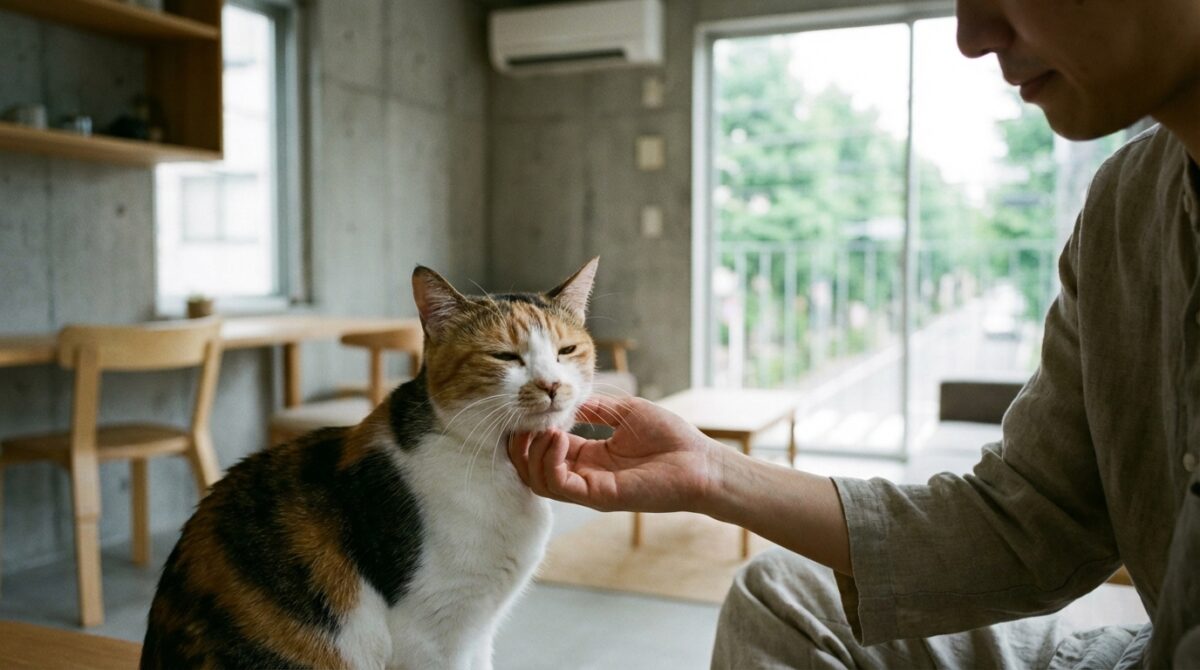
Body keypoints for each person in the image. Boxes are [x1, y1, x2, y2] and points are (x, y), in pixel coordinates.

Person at [508, 0, 1200, 667]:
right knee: (784, 597)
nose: (970, 32)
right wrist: (711, 472)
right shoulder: (1124, 207)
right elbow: (1029, 527)